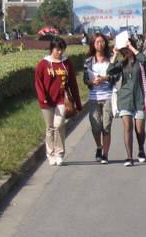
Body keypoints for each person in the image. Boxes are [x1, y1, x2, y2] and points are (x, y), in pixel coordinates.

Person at [34, 37, 82, 166]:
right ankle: (51, 154)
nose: (60, 52)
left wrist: (78, 103)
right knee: (49, 127)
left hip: (61, 99)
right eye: (57, 49)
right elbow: (38, 82)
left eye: (62, 49)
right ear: (52, 49)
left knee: (59, 125)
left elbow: (72, 83)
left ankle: (59, 153)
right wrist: (42, 96)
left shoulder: (66, 63)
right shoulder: (43, 64)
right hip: (46, 101)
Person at [106, 32, 146, 167]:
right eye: (124, 50)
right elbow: (110, 71)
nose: (126, 51)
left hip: (140, 98)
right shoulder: (122, 63)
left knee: (140, 130)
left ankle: (141, 149)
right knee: (127, 128)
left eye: (127, 49)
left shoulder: (140, 61)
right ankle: (129, 157)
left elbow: (145, 60)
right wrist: (114, 54)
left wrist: (131, 47)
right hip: (125, 98)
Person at [84, 33, 116, 164]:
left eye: (102, 42)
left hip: (108, 96)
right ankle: (99, 146)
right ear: (93, 44)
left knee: (106, 126)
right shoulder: (88, 61)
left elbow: (116, 76)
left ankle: (105, 155)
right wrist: (92, 82)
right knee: (96, 126)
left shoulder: (111, 60)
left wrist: (105, 78)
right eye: (97, 42)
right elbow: (85, 79)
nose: (100, 44)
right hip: (94, 98)